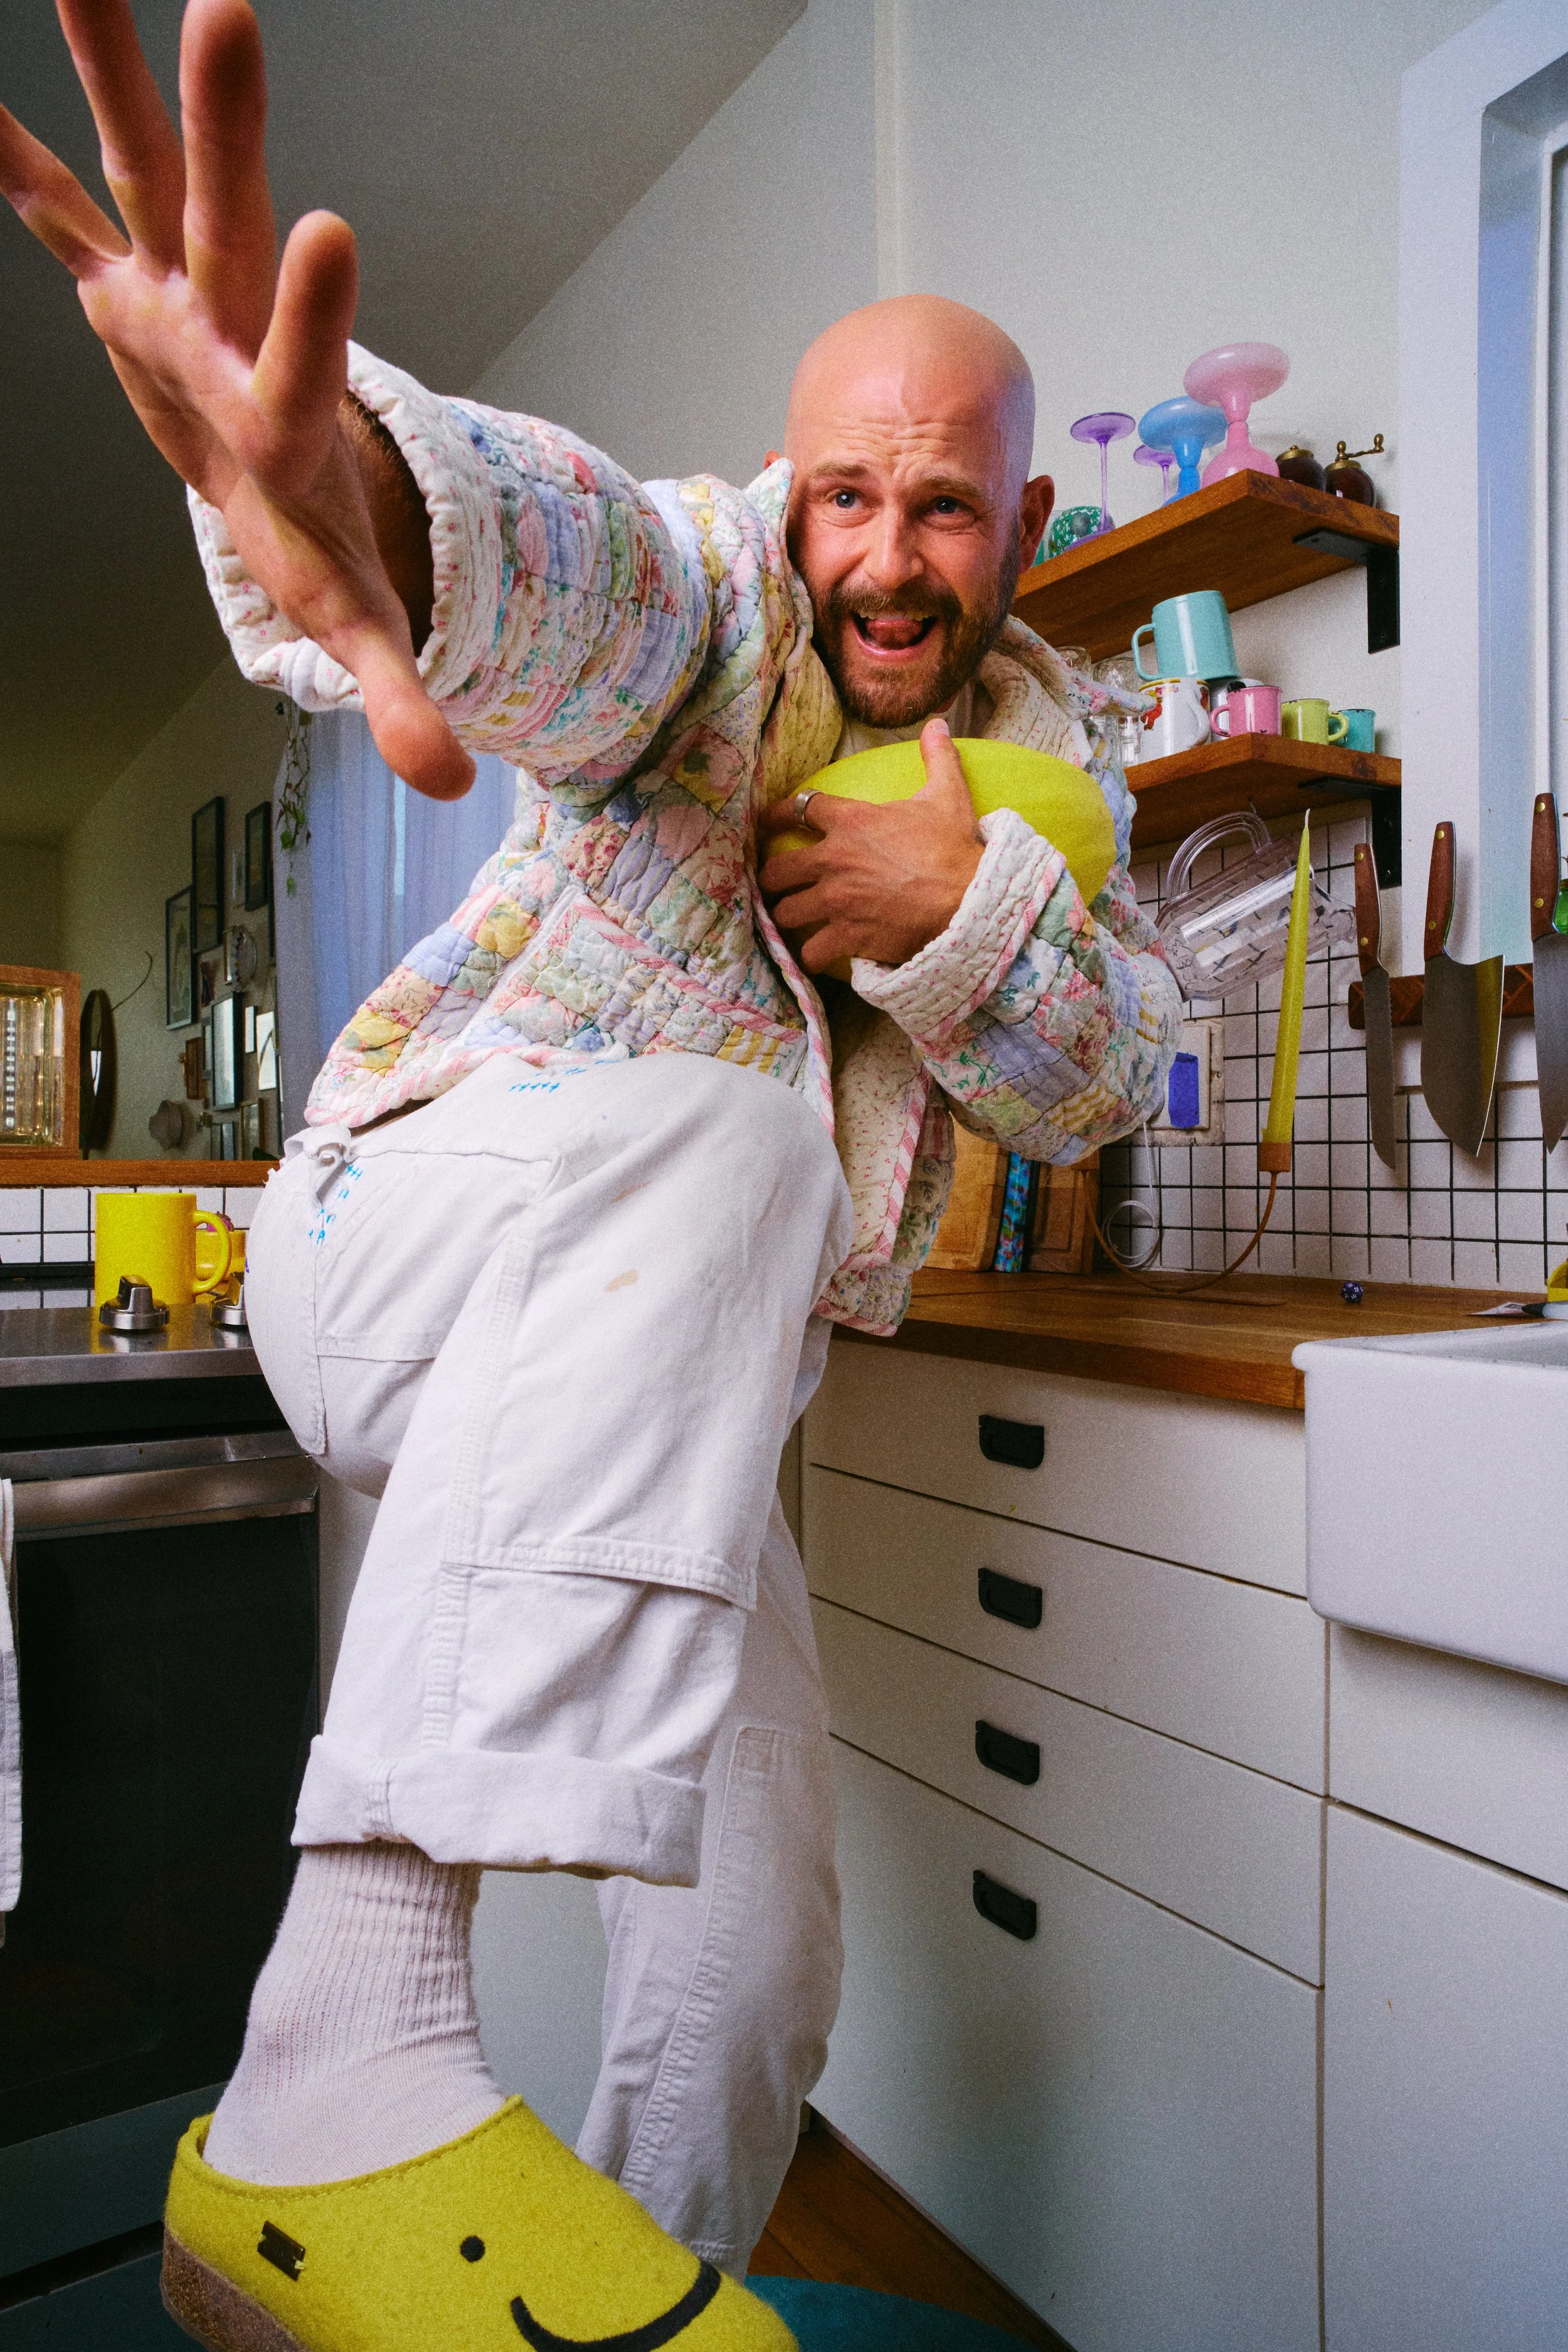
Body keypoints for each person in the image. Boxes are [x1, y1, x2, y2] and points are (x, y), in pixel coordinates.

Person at [1, 5, 1181, 2346]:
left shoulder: (1055, 774)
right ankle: (341, 2064)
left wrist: (952, 922)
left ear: (1020, 529)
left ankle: (597, 2304)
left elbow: (1109, 1068)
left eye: (944, 501)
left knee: (756, 1951)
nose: (884, 546)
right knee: (724, 1123)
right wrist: (346, 475)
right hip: (395, 1227)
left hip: (654, 1362)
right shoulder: (707, 609)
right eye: (846, 489)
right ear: (790, 489)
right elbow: (566, 562)